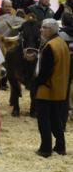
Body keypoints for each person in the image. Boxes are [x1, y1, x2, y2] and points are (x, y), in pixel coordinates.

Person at [33, 18, 70, 157]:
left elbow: (45, 72)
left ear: (51, 30)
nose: (41, 30)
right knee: (56, 119)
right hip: (59, 89)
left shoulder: (50, 46)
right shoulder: (62, 43)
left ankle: (45, 149)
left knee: (44, 120)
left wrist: (36, 84)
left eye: (44, 27)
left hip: (47, 89)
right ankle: (60, 147)